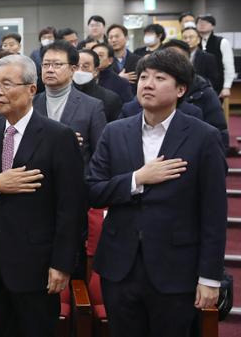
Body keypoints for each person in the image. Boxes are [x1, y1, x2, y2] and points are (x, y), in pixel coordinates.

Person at [87, 48, 227, 337]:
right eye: (143, 77)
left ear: (180, 89)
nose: (147, 84)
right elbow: (92, 190)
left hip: (176, 270)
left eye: (159, 78)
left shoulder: (203, 136)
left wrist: (210, 277)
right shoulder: (115, 132)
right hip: (120, 267)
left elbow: (214, 213)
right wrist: (137, 179)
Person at [0, 54, 86, 337]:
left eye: (7, 84)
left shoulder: (58, 136)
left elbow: (71, 206)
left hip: (38, 261)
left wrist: (62, 263)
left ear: (32, 89)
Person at [34, 40, 106, 169]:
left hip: (75, 180)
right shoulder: (30, 104)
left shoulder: (92, 106)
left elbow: (100, 154)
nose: (50, 70)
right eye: (45, 64)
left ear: (72, 69)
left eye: (57, 65)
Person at [161, 39, 229, 148]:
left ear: (188, 62)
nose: (171, 65)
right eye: (166, 60)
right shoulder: (152, 92)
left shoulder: (204, 92)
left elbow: (219, 134)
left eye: (177, 59)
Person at [74, 49, 123, 122]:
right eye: (76, 66)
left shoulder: (110, 99)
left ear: (96, 71)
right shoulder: (64, 94)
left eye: (85, 66)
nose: (80, 70)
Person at [196, 14, 235, 97]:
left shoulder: (222, 42)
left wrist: (227, 87)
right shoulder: (194, 43)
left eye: (206, 22)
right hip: (197, 86)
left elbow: (229, 66)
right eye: (200, 23)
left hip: (217, 85)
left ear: (213, 26)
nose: (202, 24)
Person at [181, 28, 220, 92]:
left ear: (198, 40)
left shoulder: (208, 57)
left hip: (201, 92)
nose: (187, 40)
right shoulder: (178, 56)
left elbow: (213, 80)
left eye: (191, 37)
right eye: (185, 38)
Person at [107, 24, 141, 94]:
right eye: (110, 37)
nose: (113, 40)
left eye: (117, 36)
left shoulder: (138, 60)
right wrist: (119, 79)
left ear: (126, 38)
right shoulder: (105, 61)